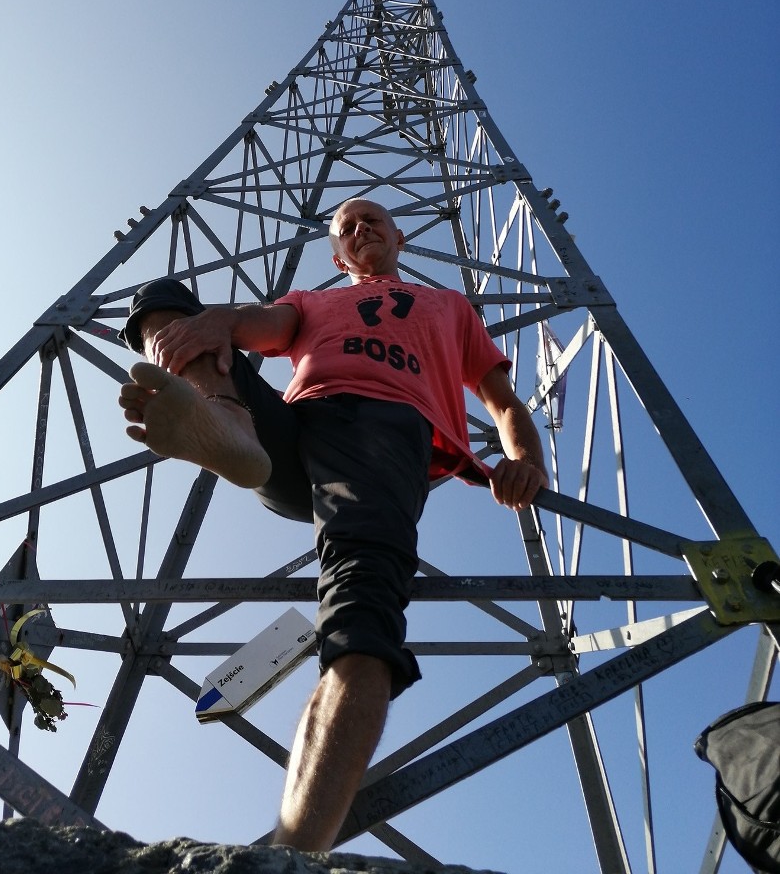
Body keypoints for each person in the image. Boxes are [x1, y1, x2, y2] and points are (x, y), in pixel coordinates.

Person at [118, 199, 548, 851]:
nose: (361, 229)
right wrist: (209, 325)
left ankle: (295, 848)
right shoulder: (312, 304)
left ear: (400, 237)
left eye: (373, 220)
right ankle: (227, 421)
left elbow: (504, 402)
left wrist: (524, 460)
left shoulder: (449, 309)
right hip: (289, 436)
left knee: (361, 618)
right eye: (346, 227)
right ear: (336, 255)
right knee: (165, 300)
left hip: (382, 432)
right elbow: (252, 324)